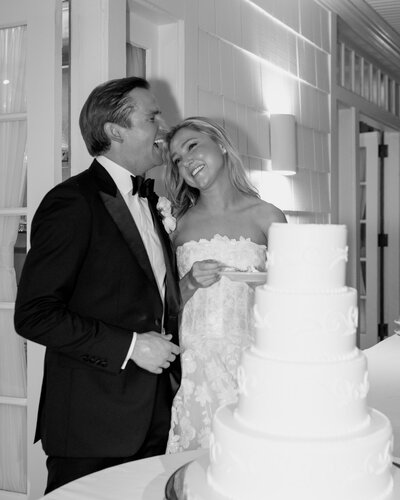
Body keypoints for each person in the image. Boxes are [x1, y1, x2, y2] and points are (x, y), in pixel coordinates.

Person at [14, 77, 181, 493]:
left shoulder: (155, 203)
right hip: (92, 424)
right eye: (152, 116)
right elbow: (34, 315)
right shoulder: (71, 202)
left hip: (156, 416)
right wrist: (131, 346)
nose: (164, 126)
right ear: (115, 131)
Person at [163, 117, 287, 453]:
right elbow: (159, 307)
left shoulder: (268, 216)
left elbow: (291, 304)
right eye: (177, 159)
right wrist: (188, 283)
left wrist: (261, 288)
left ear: (219, 144)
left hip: (252, 369)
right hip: (193, 373)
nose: (186, 161)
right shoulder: (177, 224)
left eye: (192, 147)